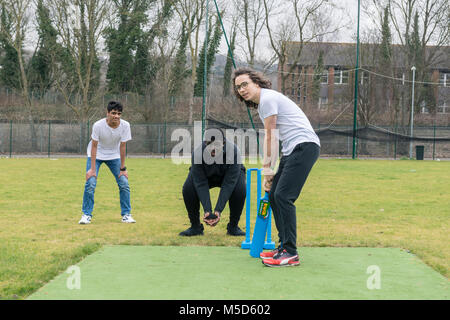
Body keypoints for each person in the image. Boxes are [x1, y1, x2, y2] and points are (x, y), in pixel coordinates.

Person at [233, 68, 320, 267]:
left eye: (245, 84)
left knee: (283, 196)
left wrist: (267, 169)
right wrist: (271, 171)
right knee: (273, 196)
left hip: (304, 146)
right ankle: (283, 247)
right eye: (238, 87)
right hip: (292, 150)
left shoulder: (267, 99)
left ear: (257, 82)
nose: (242, 89)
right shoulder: (263, 103)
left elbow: (271, 137)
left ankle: (290, 252)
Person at [179, 128, 246, 236]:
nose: (213, 150)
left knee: (240, 190)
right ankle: (195, 227)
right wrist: (208, 211)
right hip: (205, 175)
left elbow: (229, 183)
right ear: (206, 143)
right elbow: (200, 183)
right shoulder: (197, 153)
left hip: (228, 175)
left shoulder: (234, 151)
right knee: (188, 189)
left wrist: (218, 210)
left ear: (223, 144)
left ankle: (233, 227)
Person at [78, 101, 136, 224]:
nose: (116, 116)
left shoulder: (125, 126)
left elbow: (123, 146)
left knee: (124, 183)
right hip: (96, 154)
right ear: (107, 113)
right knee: (91, 183)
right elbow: (94, 146)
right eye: (114, 113)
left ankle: (126, 215)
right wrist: (92, 169)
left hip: (114, 155)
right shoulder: (98, 125)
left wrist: (123, 168)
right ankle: (86, 215)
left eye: (119, 113)